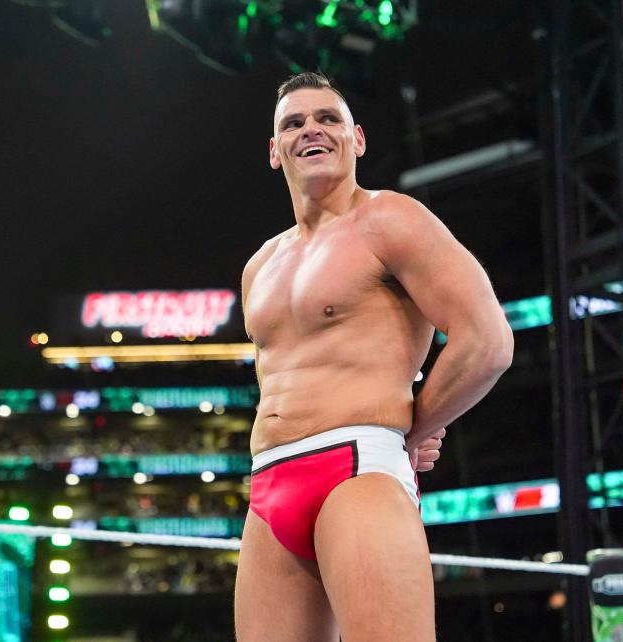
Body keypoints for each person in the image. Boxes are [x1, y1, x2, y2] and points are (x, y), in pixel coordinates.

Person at [234, 72, 514, 641]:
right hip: (267, 489)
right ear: (274, 150)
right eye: (294, 123)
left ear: (356, 139)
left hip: (356, 472)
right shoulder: (259, 266)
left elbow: (488, 341)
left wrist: (416, 424)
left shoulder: (391, 219)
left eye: (327, 118)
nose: (311, 129)